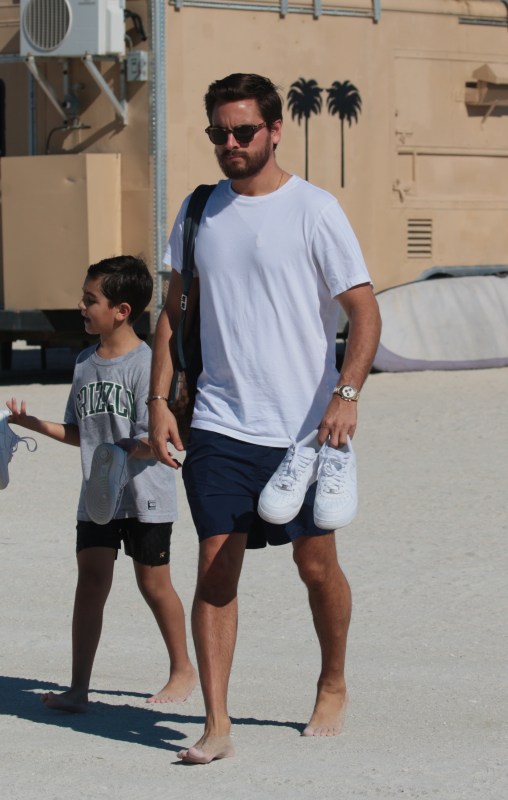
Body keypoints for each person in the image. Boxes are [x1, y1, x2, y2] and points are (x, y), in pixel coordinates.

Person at [148, 74, 382, 763]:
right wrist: (160, 401)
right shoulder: (196, 212)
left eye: (243, 132)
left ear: (276, 130)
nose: (230, 144)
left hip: (304, 431)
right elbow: (173, 313)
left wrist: (347, 395)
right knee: (217, 563)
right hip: (221, 423)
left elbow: (364, 311)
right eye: (218, 132)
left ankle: (332, 679)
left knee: (316, 567)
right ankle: (218, 724)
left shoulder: (314, 209)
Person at [6, 255, 196, 713]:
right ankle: (78, 688)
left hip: (145, 497)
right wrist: (31, 423)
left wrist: (148, 447)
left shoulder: (149, 366)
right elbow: (80, 433)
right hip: (96, 497)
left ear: (121, 310)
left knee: (154, 586)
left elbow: (166, 437)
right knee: (90, 581)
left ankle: (182, 668)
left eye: (91, 300)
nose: (81, 305)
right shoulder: (84, 363)